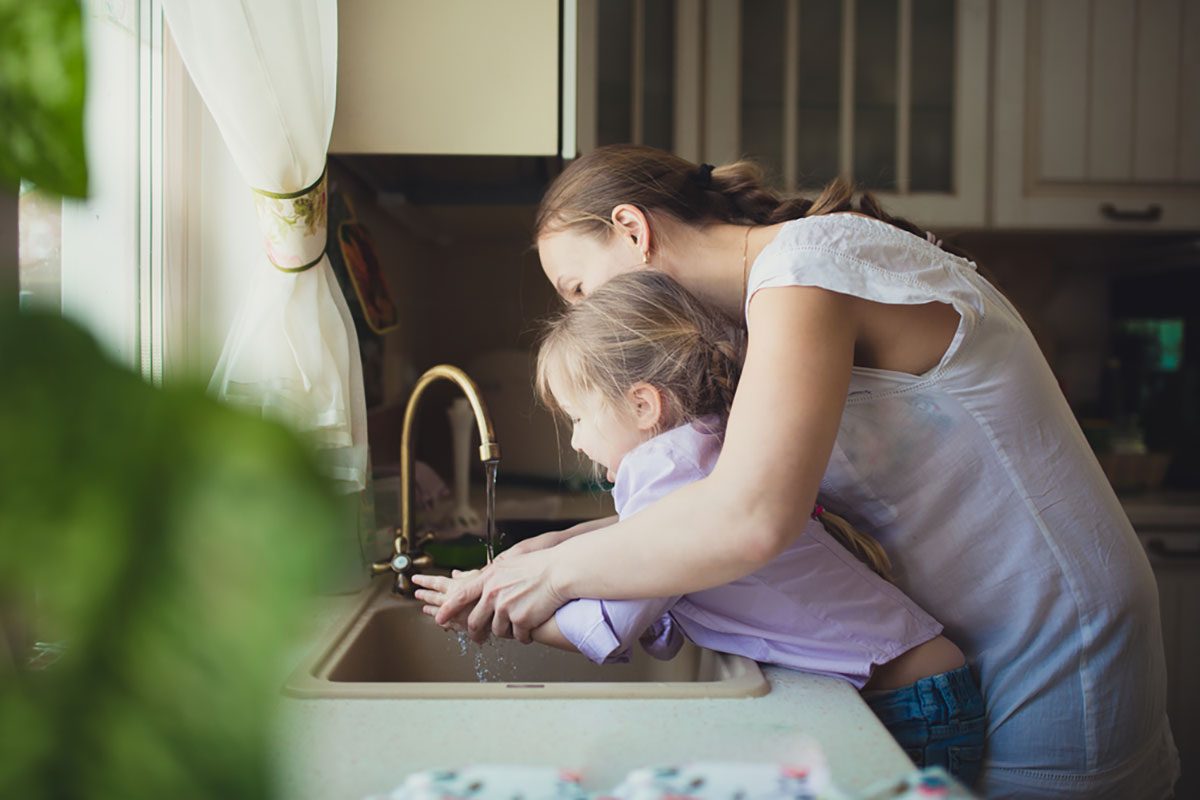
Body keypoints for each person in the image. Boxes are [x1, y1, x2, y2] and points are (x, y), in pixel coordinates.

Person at [422, 145, 1178, 799]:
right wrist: (549, 549)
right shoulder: (767, 304)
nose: (589, 319)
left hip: (1055, 638)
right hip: (981, 638)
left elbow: (750, 518)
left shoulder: (804, 272)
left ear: (632, 229)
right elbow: (714, 499)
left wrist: (554, 576)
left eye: (581, 290)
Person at [415, 269, 984, 786]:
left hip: (906, 704)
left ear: (644, 405)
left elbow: (611, 621)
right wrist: (547, 549)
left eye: (579, 417)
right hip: (917, 687)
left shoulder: (663, 472)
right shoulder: (701, 446)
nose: (577, 440)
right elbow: (642, 566)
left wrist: (492, 611)